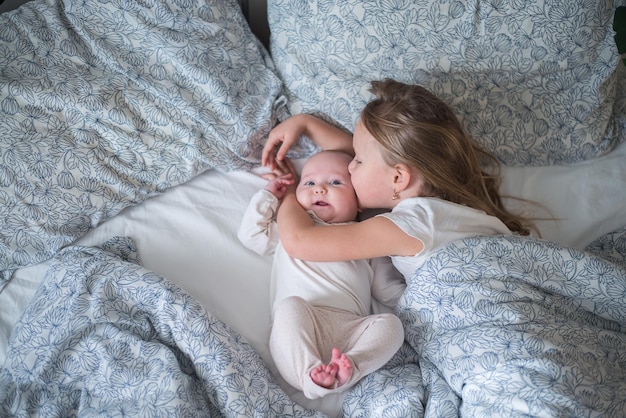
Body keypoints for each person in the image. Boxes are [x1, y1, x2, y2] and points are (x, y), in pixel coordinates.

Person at [262, 79, 536, 282]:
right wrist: (307, 124)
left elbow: (300, 241)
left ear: (398, 178)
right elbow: (367, 158)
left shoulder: (410, 223)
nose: (348, 165)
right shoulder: (447, 207)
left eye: (357, 159)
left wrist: (289, 190)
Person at [237, 150, 405, 400]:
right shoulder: (291, 229)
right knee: (288, 307)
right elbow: (250, 235)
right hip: (304, 323)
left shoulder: (365, 236)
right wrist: (270, 196)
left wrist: (412, 295)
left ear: (358, 200)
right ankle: (310, 376)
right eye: (309, 183)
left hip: (351, 329)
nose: (320, 189)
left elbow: (386, 289)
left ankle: (351, 367)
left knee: (392, 326)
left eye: (335, 182)